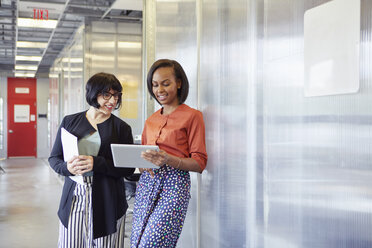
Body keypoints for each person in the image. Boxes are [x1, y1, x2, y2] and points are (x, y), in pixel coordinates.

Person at [49, 72, 135, 247]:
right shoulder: (70, 122)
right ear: (93, 94)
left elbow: (128, 169)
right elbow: (54, 158)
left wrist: (98, 163)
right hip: (75, 196)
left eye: (116, 96)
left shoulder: (121, 128)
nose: (112, 101)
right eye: (106, 95)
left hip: (108, 199)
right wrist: (67, 168)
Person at [130, 59, 208, 247]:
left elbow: (200, 162)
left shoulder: (193, 116)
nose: (160, 90)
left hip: (174, 185)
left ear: (179, 83)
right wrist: (142, 163)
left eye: (166, 83)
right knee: (138, 242)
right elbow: (144, 162)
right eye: (155, 85)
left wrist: (168, 159)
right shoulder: (151, 120)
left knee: (152, 243)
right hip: (147, 184)